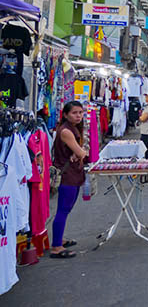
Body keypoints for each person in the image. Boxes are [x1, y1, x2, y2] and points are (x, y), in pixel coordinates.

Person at [50, 101, 87, 258]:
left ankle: (59, 239)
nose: (78, 115)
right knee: (63, 210)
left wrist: (78, 152)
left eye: (80, 112)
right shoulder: (66, 131)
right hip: (67, 175)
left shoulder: (71, 129)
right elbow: (81, 153)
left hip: (73, 173)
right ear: (65, 114)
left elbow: (78, 152)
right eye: (74, 113)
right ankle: (56, 247)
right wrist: (80, 152)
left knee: (66, 209)